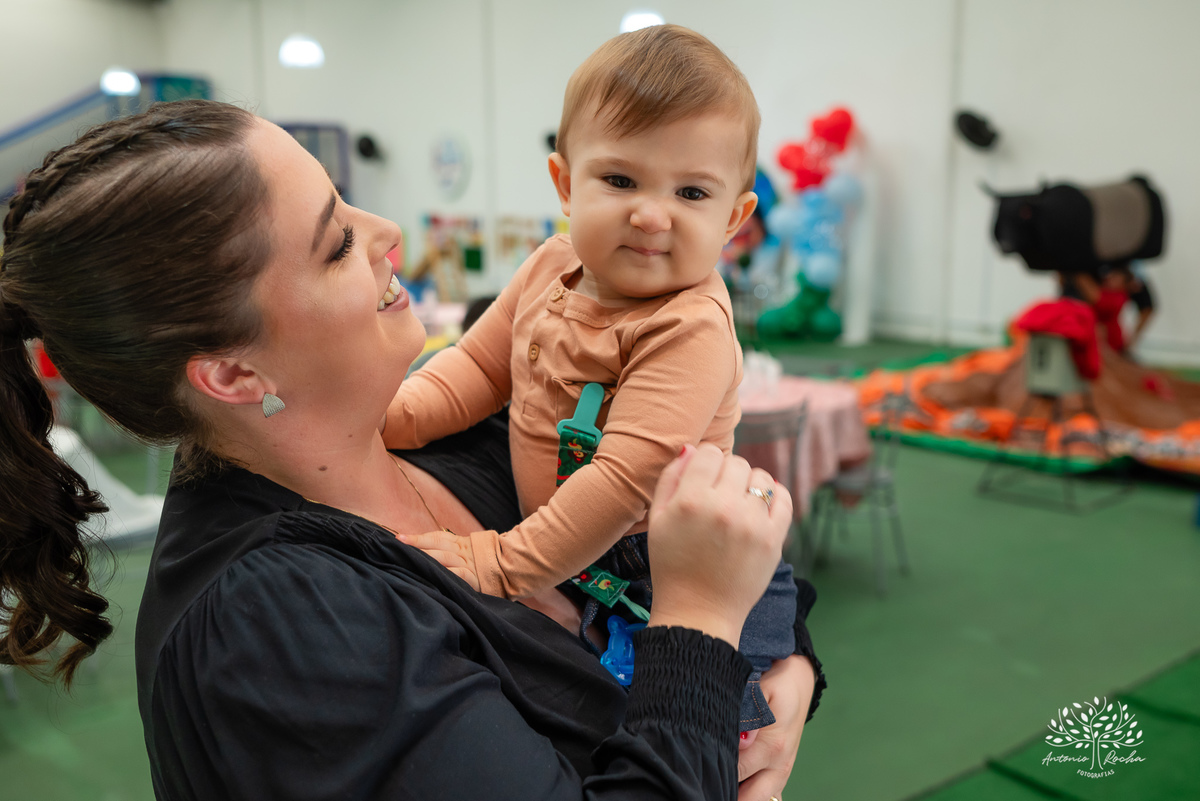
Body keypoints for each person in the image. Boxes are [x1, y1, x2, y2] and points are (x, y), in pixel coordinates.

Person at [0, 100, 824, 800]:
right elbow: (696, 593)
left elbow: (676, 547)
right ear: (232, 371)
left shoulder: (458, 432)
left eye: (345, 203)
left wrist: (789, 673)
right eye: (334, 243)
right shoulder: (278, 630)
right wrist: (703, 628)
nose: (386, 231)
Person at [382, 24, 795, 734]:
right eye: (621, 179)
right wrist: (397, 414)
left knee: (678, 725)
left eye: (691, 191)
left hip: (649, 562)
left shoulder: (687, 327)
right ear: (567, 184)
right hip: (563, 537)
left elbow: (624, 477)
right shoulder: (548, 266)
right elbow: (479, 367)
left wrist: (503, 562)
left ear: (733, 218)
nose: (651, 213)